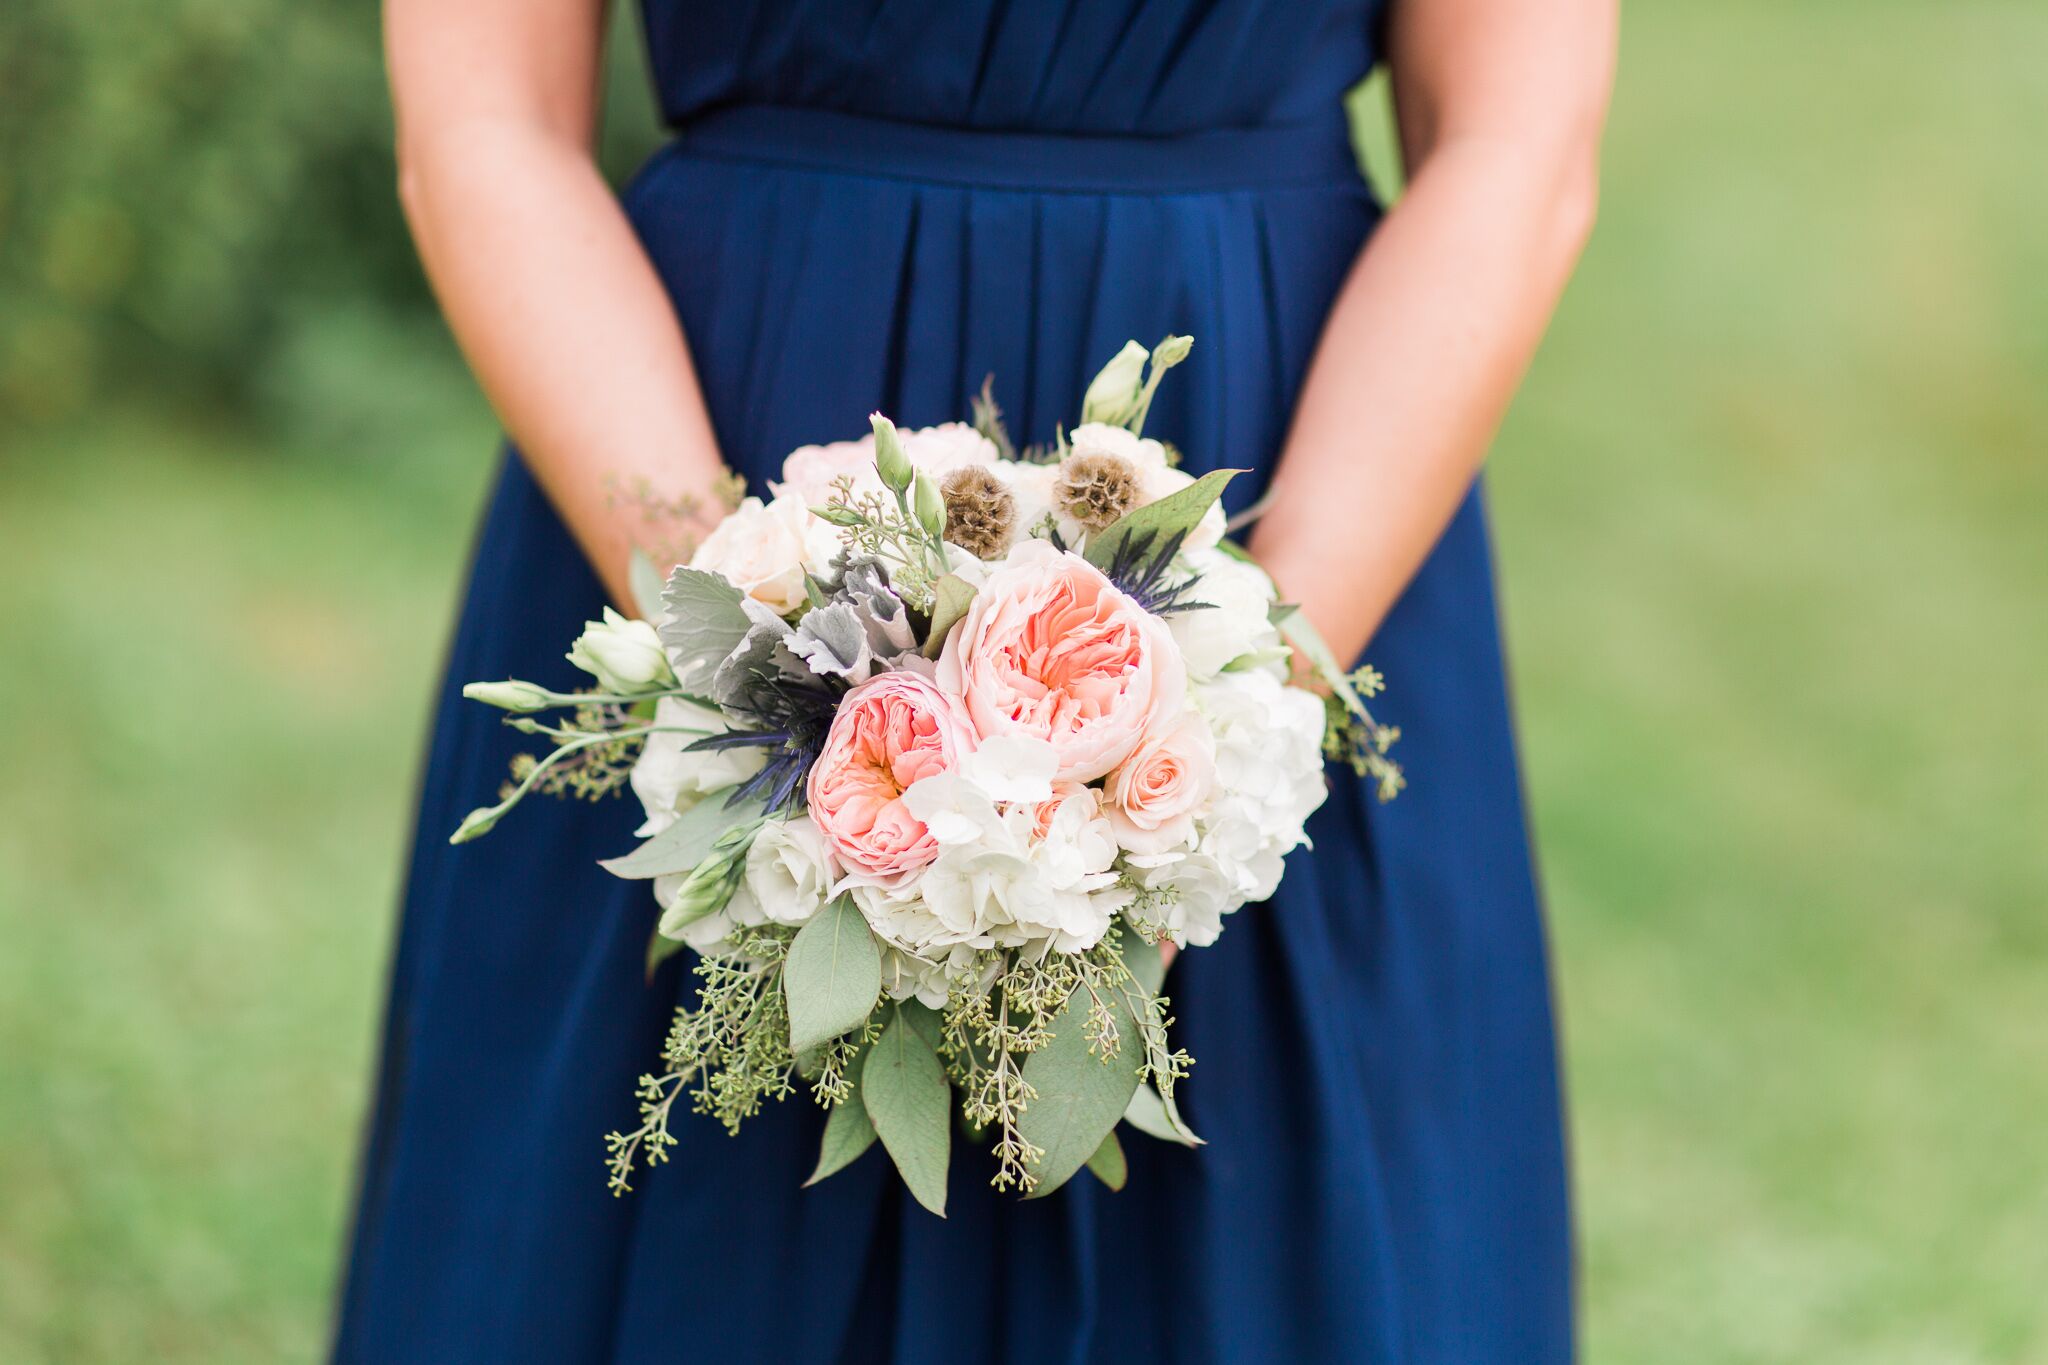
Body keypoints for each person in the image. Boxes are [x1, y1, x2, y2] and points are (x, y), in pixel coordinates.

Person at [338, 1, 1615, 1359]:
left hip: (1301, 481)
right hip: (710, 434)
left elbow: (1509, 139)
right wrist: (751, 652)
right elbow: (489, 123)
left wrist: (1242, 697)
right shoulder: (739, 613)